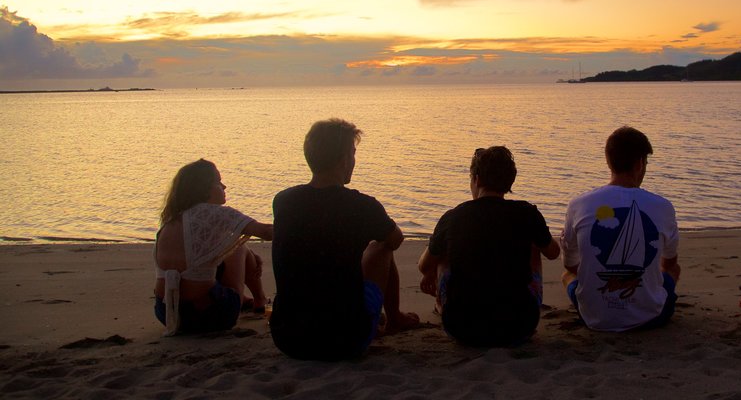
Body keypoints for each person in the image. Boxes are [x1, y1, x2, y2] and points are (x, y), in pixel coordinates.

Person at [270, 119, 419, 360]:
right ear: (343, 160)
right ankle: (395, 318)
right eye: (353, 153)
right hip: (347, 339)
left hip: (288, 338)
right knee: (381, 245)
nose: (354, 160)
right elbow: (396, 239)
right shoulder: (362, 206)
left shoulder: (283, 201)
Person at [418, 146, 560, 346]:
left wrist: (430, 272)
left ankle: (442, 305)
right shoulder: (527, 213)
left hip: (461, 328)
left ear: (476, 179)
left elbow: (424, 266)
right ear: (509, 181)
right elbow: (553, 253)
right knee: (534, 244)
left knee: (442, 252)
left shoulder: (454, 217)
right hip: (520, 326)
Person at [560, 126, 680, 331]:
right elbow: (669, 263)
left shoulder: (579, 204)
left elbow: (571, 266)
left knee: (567, 276)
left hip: (594, 319)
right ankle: (643, 299)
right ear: (639, 164)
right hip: (651, 318)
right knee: (673, 270)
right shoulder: (662, 206)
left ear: (608, 162)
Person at [153, 159, 273, 335]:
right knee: (239, 247)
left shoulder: (172, 220)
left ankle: (254, 299)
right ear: (205, 188)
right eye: (218, 182)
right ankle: (259, 300)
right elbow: (267, 232)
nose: (224, 187)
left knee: (232, 245)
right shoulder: (214, 214)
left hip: (167, 314)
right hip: (209, 315)